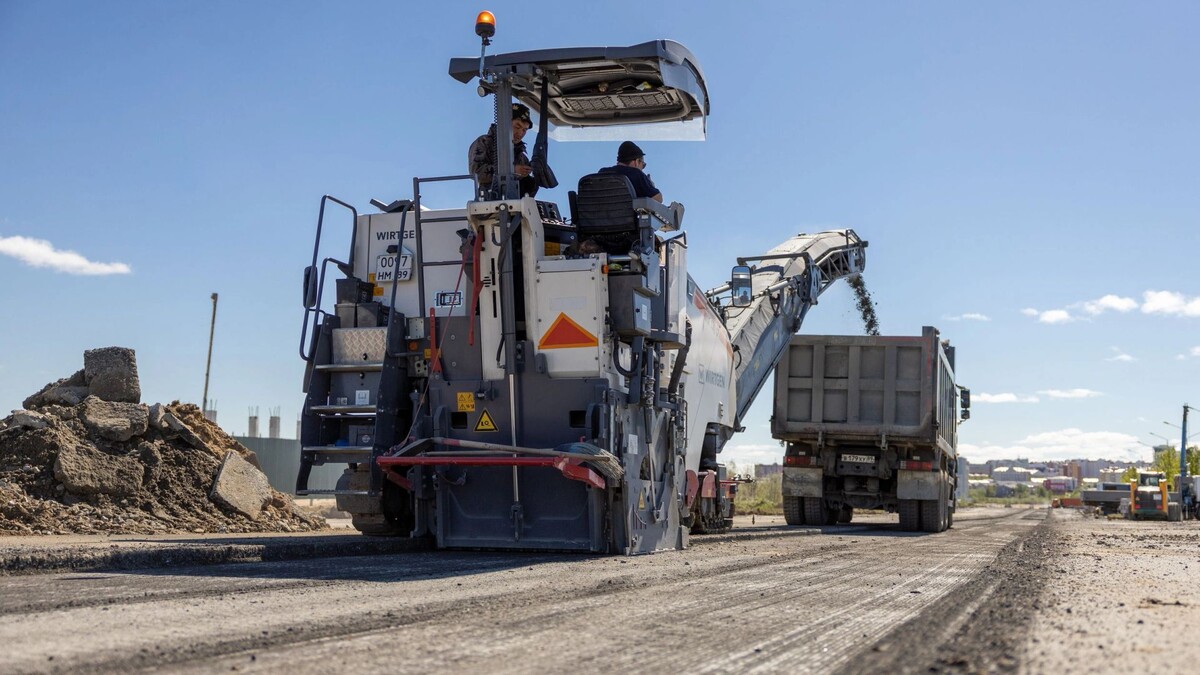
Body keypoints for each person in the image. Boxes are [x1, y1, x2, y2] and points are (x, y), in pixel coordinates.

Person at [468, 103, 538, 198]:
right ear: (504, 123)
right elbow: (476, 172)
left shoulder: (521, 156)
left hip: (516, 206)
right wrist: (512, 170)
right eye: (517, 127)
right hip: (491, 204)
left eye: (524, 130)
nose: (520, 133)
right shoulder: (484, 142)